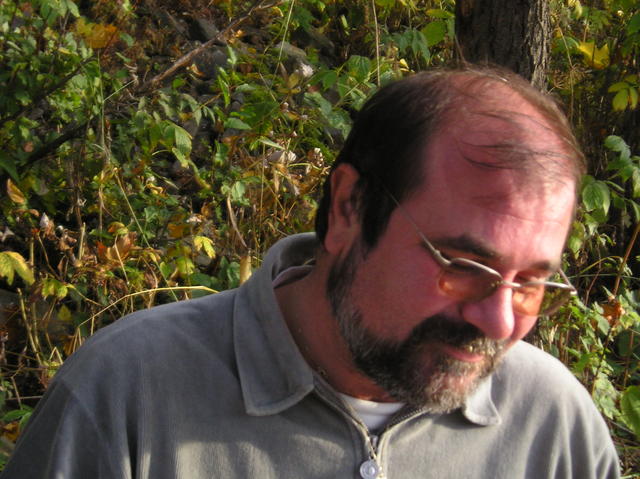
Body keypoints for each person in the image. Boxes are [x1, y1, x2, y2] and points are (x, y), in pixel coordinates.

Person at [2, 66, 620, 478]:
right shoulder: (126, 394)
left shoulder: (554, 427)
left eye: (532, 282)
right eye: (464, 266)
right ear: (350, 208)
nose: (500, 320)